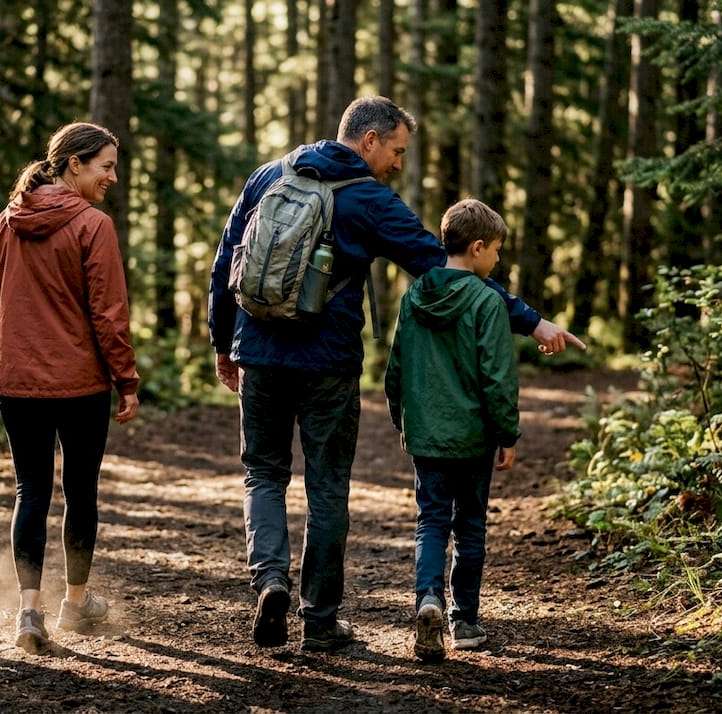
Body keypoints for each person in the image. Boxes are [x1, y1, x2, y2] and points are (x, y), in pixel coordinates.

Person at [207, 96, 583, 652]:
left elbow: (224, 264)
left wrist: (224, 343)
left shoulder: (268, 176)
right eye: (397, 150)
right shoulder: (370, 200)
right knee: (327, 485)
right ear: (369, 141)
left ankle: (270, 581)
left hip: (258, 350)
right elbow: (447, 270)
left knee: (263, 475)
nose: (398, 164)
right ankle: (319, 620)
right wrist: (531, 322)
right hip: (327, 363)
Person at [0, 121, 140, 654]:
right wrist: (126, 380)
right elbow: (109, 314)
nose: (113, 177)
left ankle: (29, 611)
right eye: (106, 166)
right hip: (80, 384)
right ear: (74, 165)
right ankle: (74, 602)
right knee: (80, 490)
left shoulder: (7, 221)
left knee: (31, 491)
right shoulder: (94, 225)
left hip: (18, 382)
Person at [384, 198, 520, 662]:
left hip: (427, 435)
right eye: (497, 251)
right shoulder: (487, 301)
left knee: (431, 522)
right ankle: (464, 621)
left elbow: (396, 368)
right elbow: (497, 378)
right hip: (474, 436)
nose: (498, 260)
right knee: (471, 526)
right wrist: (508, 434)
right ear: (477, 247)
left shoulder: (415, 295)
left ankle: (428, 600)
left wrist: (403, 419)